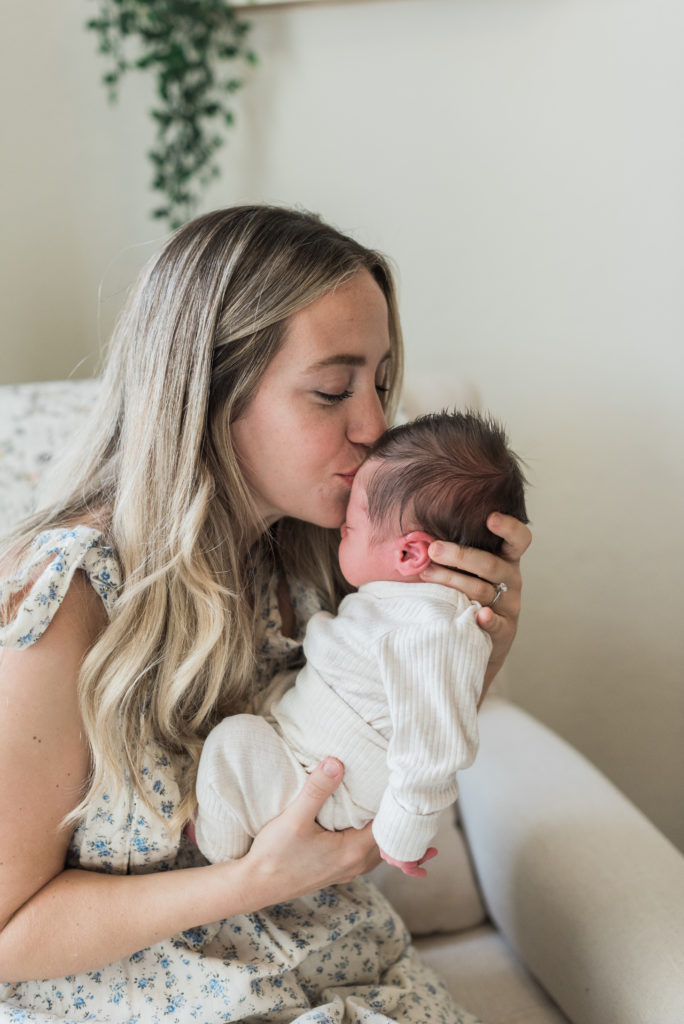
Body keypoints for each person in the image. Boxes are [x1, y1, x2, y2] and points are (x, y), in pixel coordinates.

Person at [0, 205, 531, 1023]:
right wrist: (248, 884)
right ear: (208, 394)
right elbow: (7, 931)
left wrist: (473, 644)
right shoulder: (73, 594)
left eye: (381, 382)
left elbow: (374, 778)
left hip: (348, 969)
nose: (375, 426)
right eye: (332, 389)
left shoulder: (324, 559)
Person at [193, 409, 528, 878]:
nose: (339, 534)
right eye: (331, 394)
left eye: (349, 529)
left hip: (334, 783)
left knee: (232, 743)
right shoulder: (401, 605)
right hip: (315, 749)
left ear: (408, 552)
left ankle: (217, 848)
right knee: (248, 728)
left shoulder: (432, 627)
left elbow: (436, 742)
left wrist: (403, 831)